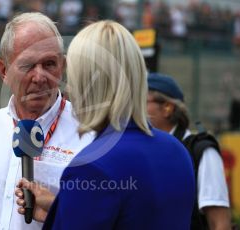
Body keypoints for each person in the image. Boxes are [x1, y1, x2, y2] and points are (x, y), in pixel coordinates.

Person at [16, 20, 195, 229]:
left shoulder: (92, 167)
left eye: (73, 78)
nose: (68, 89)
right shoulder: (177, 150)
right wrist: (61, 210)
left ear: (88, 86)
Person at [0, 12, 94, 230]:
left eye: (49, 64)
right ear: (4, 71)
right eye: (27, 65)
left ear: (62, 66)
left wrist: (57, 210)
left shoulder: (89, 133)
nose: (40, 77)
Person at [146, 73, 232, 230]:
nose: (132, 110)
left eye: (140, 102)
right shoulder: (143, 152)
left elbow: (219, 223)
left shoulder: (202, 152)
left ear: (167, 108)